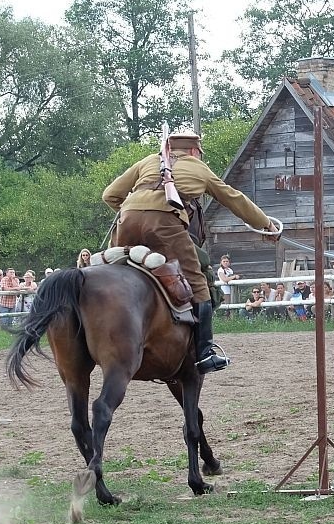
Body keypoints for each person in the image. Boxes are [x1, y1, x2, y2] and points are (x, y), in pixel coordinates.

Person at [102, 131, 278, 373]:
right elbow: (233, 198)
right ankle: (205, 353)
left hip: (127, 220)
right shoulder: (198, 168)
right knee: (197, 284)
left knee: (113, 270)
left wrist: (135, 209)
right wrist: (266, 224)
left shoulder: (147, 161)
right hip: (165, 224)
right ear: (194, 151)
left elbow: (110, 195)